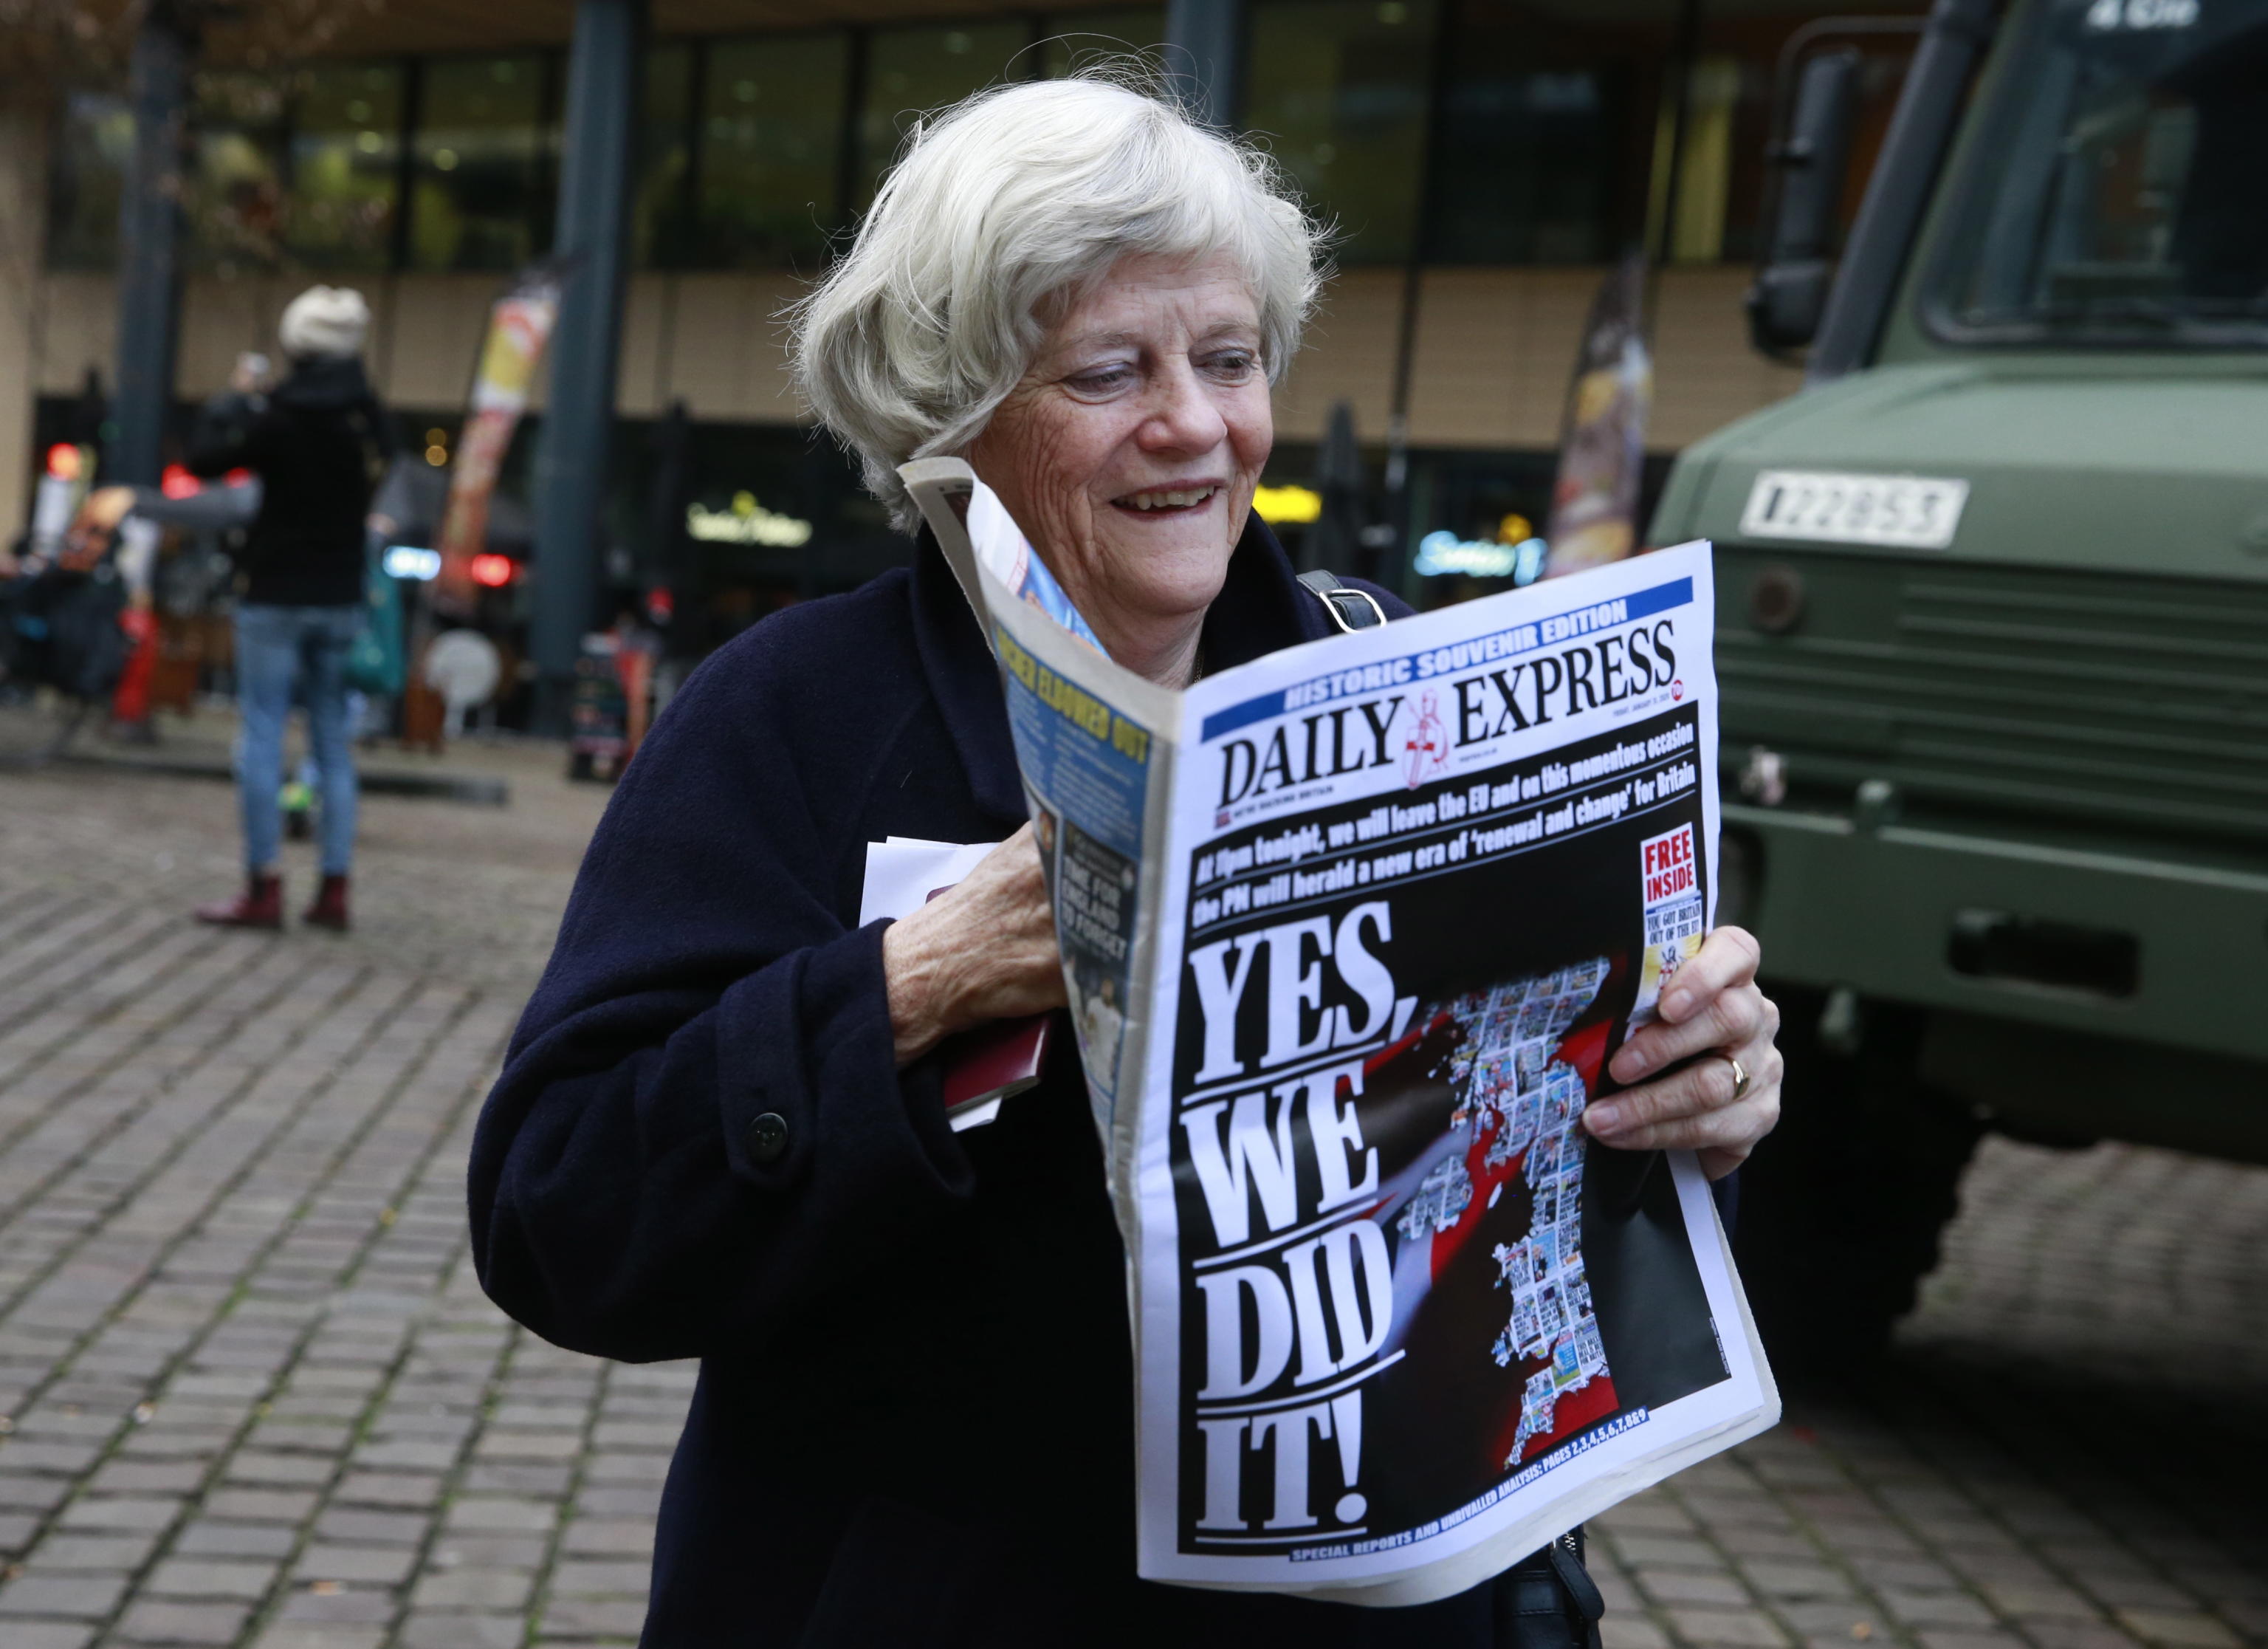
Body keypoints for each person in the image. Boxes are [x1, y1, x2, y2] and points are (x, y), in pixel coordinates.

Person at [470, 75, 1784, 1649]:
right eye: (1108, 372)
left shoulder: (1411, 689)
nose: (1196, 423)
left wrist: (1694, 1090)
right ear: (952, 416)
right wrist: (920, 982)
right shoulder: (799, 716)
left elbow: (1528, 1197)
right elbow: (562, 1220)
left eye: (1228, 360)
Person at [187, 287, 391, 932]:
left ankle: (263, 885)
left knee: (263, 734)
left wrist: (231, 401)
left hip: (275, 594)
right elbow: (396, 458)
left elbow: (204, 461)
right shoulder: (367, 420)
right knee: (333, 744)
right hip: (340, 598)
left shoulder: (278, 415)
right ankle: (334, 890)